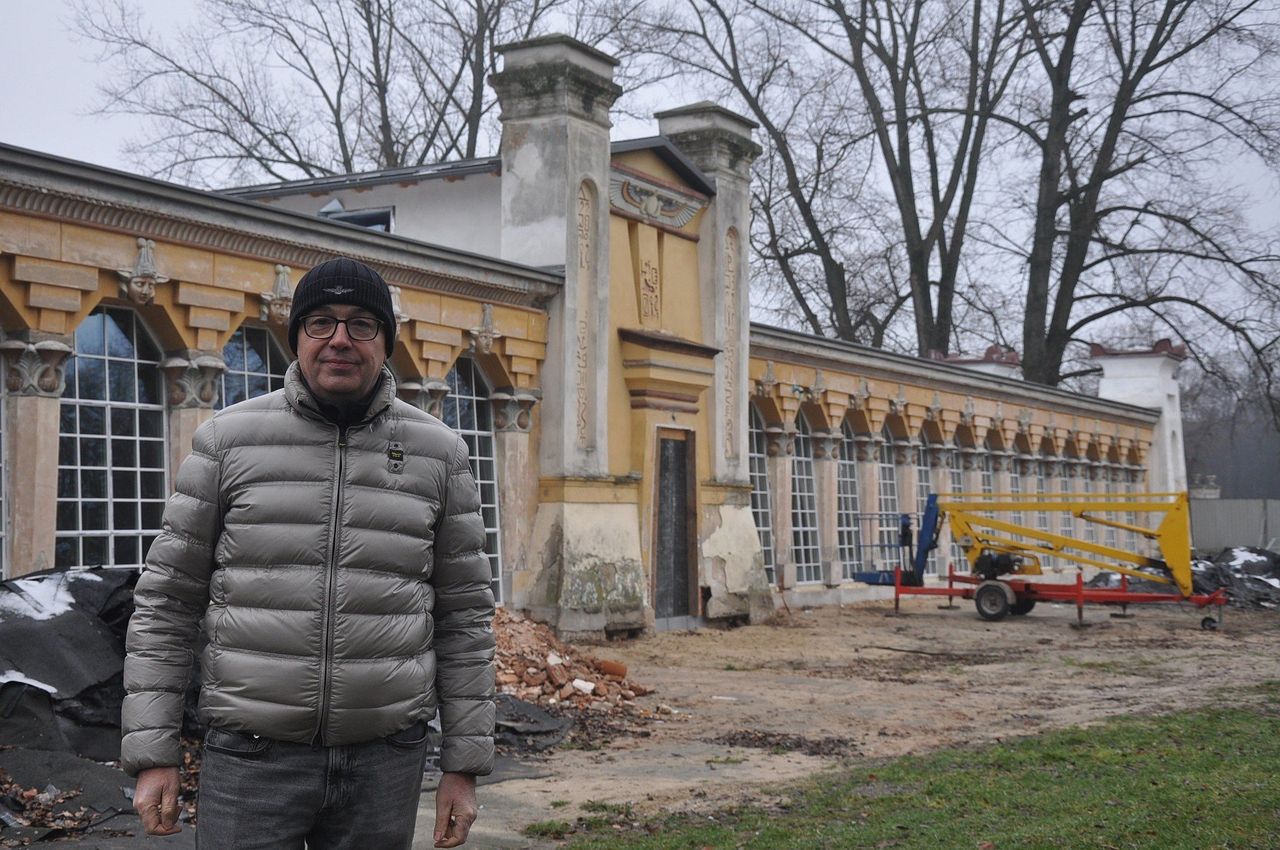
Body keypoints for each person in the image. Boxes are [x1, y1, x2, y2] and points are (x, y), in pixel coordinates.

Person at [120, 257, 495, 849]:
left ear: (386, 342)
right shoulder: (227, 442)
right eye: (320, 321)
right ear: (296, 336)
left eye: (361, 323)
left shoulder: (439, 454)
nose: (340, 339)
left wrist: (463, 765)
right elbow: (166, 604)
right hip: (251, 760)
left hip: (383, 764)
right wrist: (152, 753)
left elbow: (465, 617)